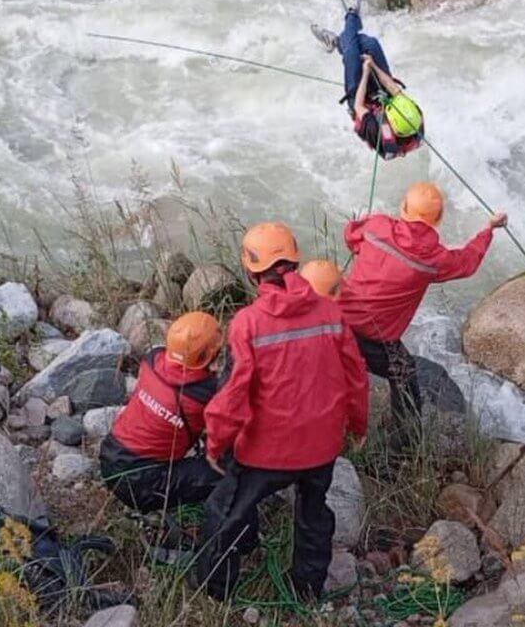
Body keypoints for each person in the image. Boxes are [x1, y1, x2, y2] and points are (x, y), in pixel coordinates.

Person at [197, 222, 369, 601]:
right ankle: (306, 589)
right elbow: (356, 376)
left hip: (266, 452)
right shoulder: (330, 312)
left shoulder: (248, 323)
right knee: (313, 513)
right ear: (295, 261)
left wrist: (216, 444)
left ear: (251, 270)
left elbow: (233, 393)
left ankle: (214, 591)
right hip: (322, 447)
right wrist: (358, 424)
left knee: (224, 511)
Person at [341, 182, 507, 433]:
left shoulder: (377, 225)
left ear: (403, 206)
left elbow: (351, 236)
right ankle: (402, 442)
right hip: (377, 340)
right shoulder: (433, 260)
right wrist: (489, 229)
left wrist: (363, 230)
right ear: (438, 219)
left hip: (338, 322)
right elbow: (467, 261)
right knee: (405, 376)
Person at [99, 312, 224, 518]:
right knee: (227, 474)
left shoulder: (152, 360)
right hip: (144, 483)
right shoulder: (205, 395)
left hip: (109, 458)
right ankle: (226, 543)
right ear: (208, 355)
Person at [311, 0, 425, 159]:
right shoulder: (415, 118)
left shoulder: (377, 132)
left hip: (360, 103)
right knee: (370, 44)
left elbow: (358, 106)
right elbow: (392, 87)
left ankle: (352, 14)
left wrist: (365, 72)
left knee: (351, 53)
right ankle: (336, 41)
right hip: (382, 97)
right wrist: (373, 65)